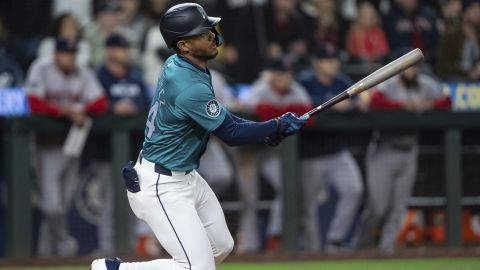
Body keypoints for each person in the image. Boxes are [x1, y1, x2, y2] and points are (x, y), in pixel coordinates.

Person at [90, 3, 307, 270]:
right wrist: (274, 126)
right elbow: (231, 133)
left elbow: (227, 119)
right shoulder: (187, 85)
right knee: (198, 267)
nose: (212, 35)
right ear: (184, 45)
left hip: (185, 176)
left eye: (210, 29)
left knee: (221, 247)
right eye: (203, 32)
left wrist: (268, 131)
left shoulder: (181, 64)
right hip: (161, 185)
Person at [354, 60, 451, 254]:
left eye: (414, 66)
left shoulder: (425, 84)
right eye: (408, 66)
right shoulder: (388, 83)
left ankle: (386, 251)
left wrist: (429, 104)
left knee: (398, 207)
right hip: (384, 147)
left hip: (409, 150)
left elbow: (447, 101)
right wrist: (402, 105)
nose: (412, 70)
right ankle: (361, 246)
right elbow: (376, 102)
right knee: (378, 207)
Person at [25, 38, 108, 257]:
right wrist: (65, 111)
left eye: (72, 53)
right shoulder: (41, 68)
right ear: (56, 55)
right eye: (65, 54)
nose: (69, 58)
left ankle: (46, 254)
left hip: (71, 144)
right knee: (52, 204)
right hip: (45, 145)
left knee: (63, 204)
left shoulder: (81, 72)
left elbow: (100, 102)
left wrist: (79, 108)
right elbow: (32, 102)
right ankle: (64, 245)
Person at [238, 57, 312, 252]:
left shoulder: (296, 89)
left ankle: (275, 234)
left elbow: (307, 114)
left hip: (271, 151)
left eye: (287, 74)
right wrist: (286, 113)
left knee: (286, 186)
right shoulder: (259, 88)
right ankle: (249, 244)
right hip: (248, 150)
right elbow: (260, 112)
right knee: (249, 198)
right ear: (271, 74)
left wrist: (280, 113)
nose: (284, 78)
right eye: (279, 73)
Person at [297, 44, 363, 252]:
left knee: (354, 189)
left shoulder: (341, 80)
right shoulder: (304, 81)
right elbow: (301, 104)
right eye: (327, 60)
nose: (333, 64)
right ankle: (312, 251)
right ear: (316, 62)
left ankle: (336, 239)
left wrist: (353, 105)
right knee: (307, 207)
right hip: (309, 154)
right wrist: (330, 104)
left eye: (334, 60)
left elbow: (359, 98)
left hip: (336, 151)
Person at [94, 32, 151, 255]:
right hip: (105, 150)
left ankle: (130, 251)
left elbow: (147, 107)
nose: (125, 52)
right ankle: (108, 250)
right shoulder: (98, 76)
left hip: (134, 151)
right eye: (121, 48)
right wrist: (112, 109)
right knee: (109, 203)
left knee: (134, 203)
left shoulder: (136, 76)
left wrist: (131, 109)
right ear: (109, 51)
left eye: (127, 48)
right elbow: (94, 105)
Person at [436, 0, 480, 80]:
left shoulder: (478, 36)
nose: (478, 13)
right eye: (474, 11)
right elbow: (443, 65)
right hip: (455, 79)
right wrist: (467, 72)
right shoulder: (451, 36)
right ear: (464, 12)